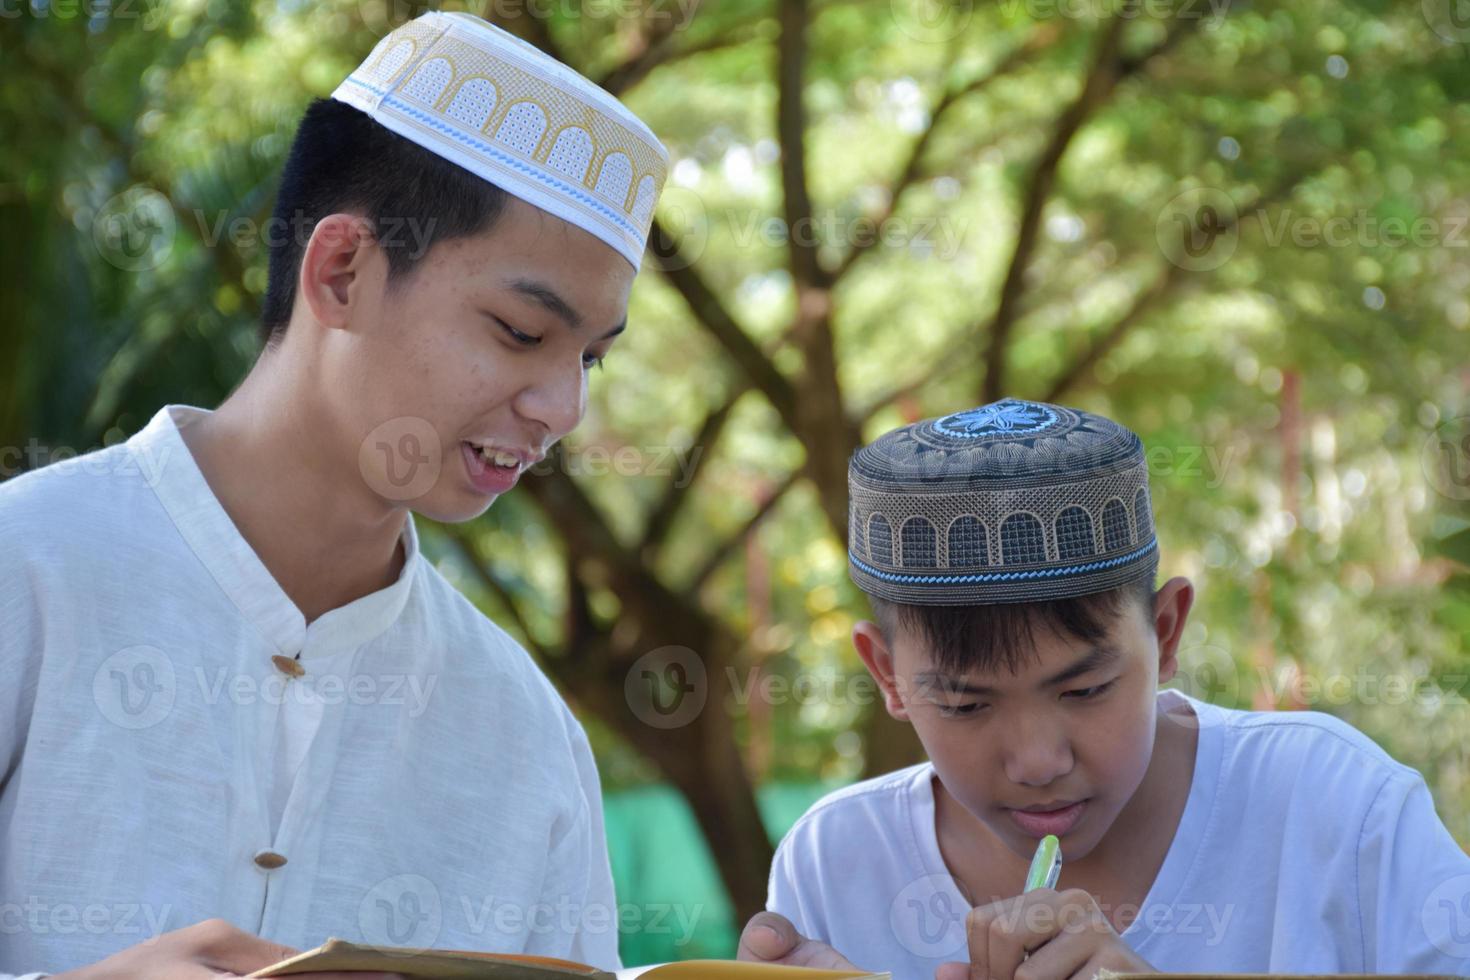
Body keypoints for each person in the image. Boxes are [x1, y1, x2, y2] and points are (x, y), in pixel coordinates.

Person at [0, 10, 667, 978]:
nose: (562, 407)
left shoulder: (524, 733)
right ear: (343, 270)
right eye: (522, 331)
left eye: (591, 360)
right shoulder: (27, 573)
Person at [736, 399, 1470, 978]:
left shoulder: (1335, 809)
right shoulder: (836, 862)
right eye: (965, 705)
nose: (1037, 761)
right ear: (887, 676)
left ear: (1167, 632)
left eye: (1084, 690)